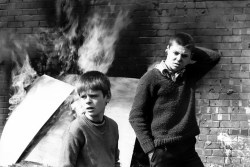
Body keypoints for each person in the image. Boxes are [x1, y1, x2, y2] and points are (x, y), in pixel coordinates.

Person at [129, 32, 221, 167]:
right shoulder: (150, 79)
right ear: (167, 50)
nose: (179, 59)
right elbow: (135, 117)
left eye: (184, 56)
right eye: (175, 53)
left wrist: (190, 47)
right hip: (163, 151)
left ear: (191, 56)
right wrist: (150, 150)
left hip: (188, 148)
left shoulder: (190, 74)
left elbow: (214, 57)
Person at [60, 71, 120, 167]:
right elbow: (66, 165)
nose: (88, 101)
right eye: (83, 97)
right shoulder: (76, 129)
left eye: (93, 96)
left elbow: (115, 160)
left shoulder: (113, 126)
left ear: (107, 96)